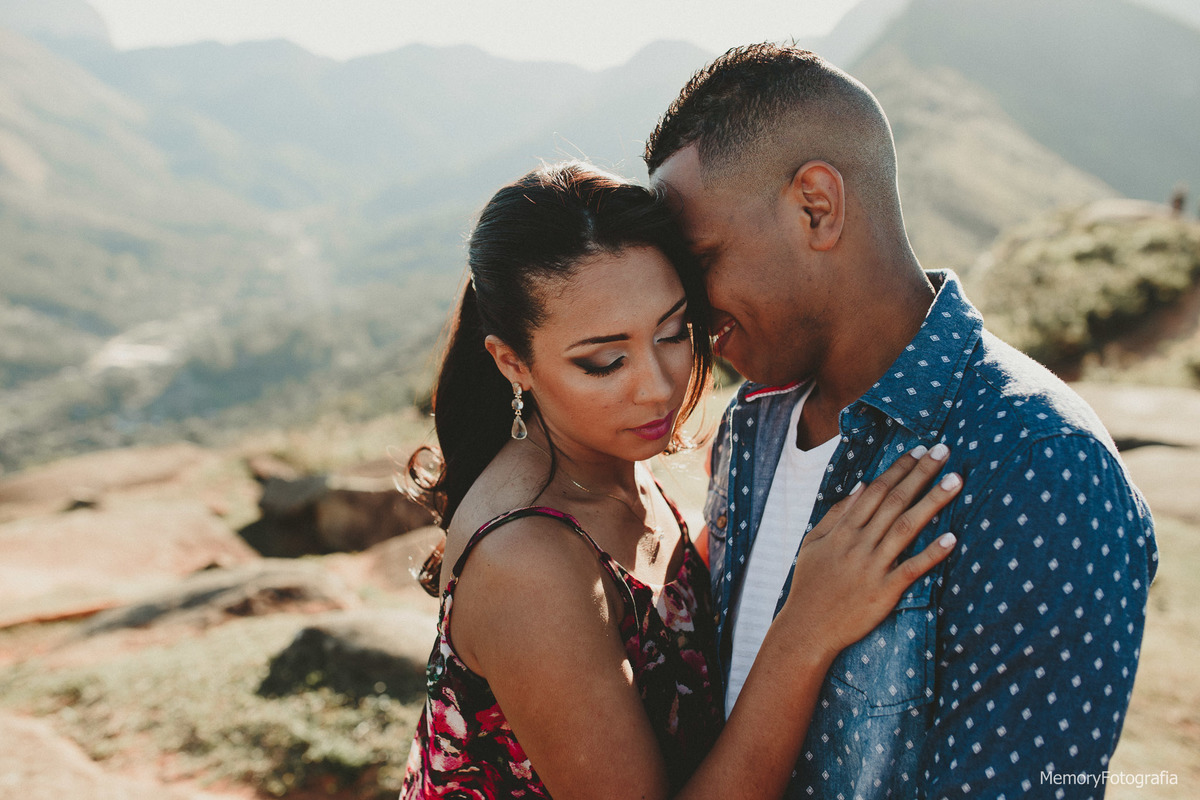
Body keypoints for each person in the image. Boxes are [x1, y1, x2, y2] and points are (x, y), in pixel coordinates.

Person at [645, 44, 1159, 799]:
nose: (684, 307)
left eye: (701, 260)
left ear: (816, 207)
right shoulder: (748, 427)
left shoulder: (1040, 465)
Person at [399, 161, 964, 799]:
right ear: (511, 362)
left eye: (673, 333)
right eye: (605, 362)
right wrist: (807, 628)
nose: (660, 385)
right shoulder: (527, 562)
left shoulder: (610, 471)